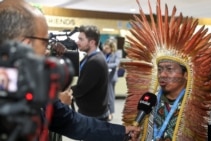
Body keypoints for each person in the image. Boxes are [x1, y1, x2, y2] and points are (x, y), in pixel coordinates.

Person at [0, 0, 140, 141]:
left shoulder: (36, 86)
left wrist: (121, 132)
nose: (47, 51)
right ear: (26, 44)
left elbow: (73, 122)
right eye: (45, 43)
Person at [120, 0, 211, 141]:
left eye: (169, 69)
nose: (163, 74)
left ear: (186, 74)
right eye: (160, 69)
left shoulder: (205, 106)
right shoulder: (150, 103)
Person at [102, 39, 121, 121]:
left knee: (110, 96)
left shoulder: (117, 53)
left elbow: (116, 64)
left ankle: (111, 113)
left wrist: (105, 64)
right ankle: (106, 112)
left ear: (112, 48)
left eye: (107, 48)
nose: (105, 50)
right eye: (105, 48)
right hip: (105, 77)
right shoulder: (105, 53)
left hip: (111, 78)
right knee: (106, 96)